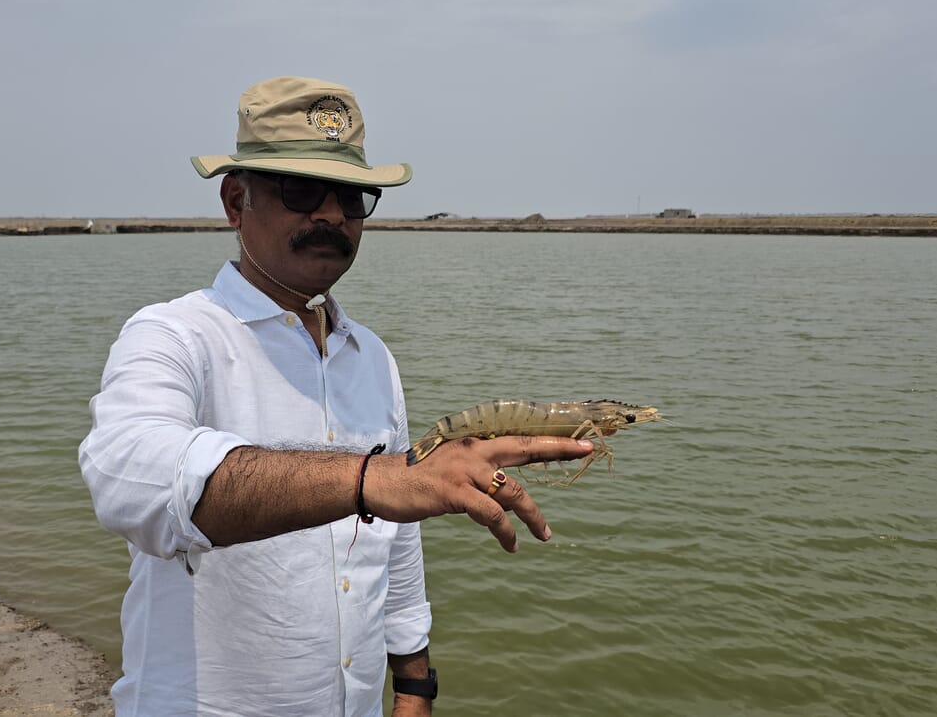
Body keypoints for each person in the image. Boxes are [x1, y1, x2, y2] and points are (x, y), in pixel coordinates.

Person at [79, 76, 593, 717]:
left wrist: (413, 686)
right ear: (236, 201)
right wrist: (370, 479)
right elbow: (131, 481)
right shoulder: (173, 334)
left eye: (351, 197)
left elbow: (398, 544)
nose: (330, 214)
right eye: (300, 191)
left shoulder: (371, 357)